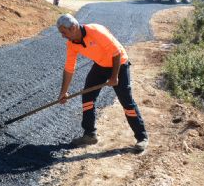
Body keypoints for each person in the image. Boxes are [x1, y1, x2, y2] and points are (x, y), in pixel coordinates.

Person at [56, 14, 148, 152]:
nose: (63, 36)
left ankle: (142, 137)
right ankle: (89, 134)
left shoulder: (96, 31)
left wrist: (114, 77)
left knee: (126, 101)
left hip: (119, 64)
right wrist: (63, 93)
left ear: (74, 28)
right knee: (88, 97)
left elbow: (116, 52)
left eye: (64, 32)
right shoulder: (71, 44)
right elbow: (69, 68)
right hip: (100, 65)